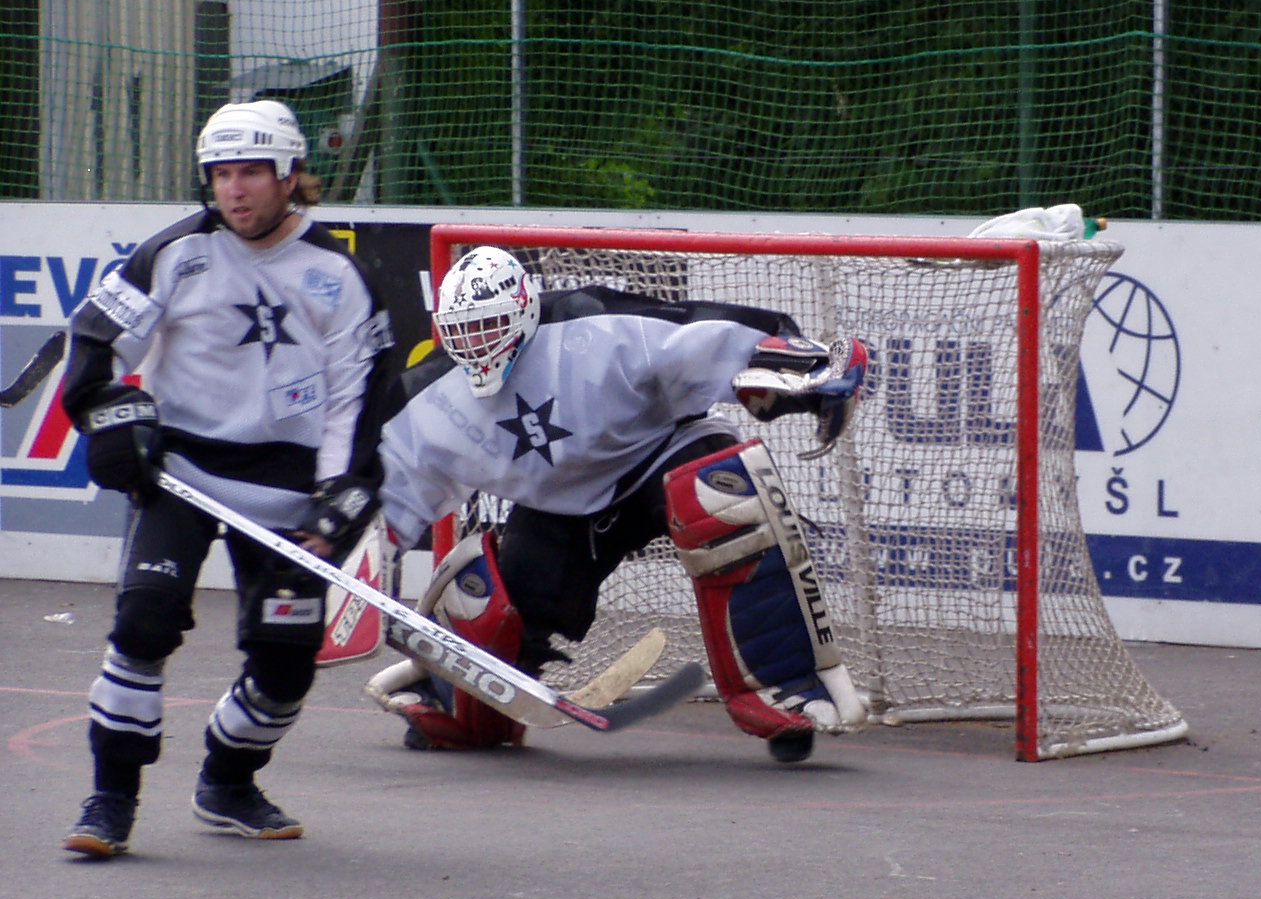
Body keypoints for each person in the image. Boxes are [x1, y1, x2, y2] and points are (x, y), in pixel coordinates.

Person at [368, 246, 868, 762]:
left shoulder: (594, 322)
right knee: (485, 599)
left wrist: (809, 367)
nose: (476, 343)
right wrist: (325, 539)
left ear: (522, 306)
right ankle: (458, 703)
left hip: (660, 454)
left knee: (723, 494)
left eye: (489, 325)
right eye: (462, 331)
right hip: (561, 505)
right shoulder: (430, 396)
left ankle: (787, 685)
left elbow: (709, 334)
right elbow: (376, 497)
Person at [60, 99, 398, 858]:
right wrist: (110, 418)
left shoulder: (339, 276)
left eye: (251, 172)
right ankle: (109, 799)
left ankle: (228, 779)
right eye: (220, 174)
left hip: (287, 486)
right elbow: (95, 348)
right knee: (143, 624)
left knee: (284, 663)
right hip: (181, 468)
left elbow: (360, 398)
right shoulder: (175, 254)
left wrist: (339, 501)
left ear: (289, 176)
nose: (235, 190)